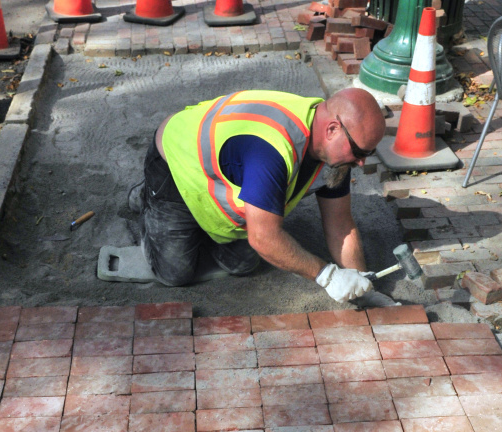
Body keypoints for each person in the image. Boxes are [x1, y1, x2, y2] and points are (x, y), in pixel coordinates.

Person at [128, 86, 386, 303]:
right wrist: (328, 276)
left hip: (224, 173)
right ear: (332, 129)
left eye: (368, 154)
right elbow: (263, 238)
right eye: (360, 152)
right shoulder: (271, 151)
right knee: (174, 273)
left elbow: (340, 224)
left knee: (243, 264)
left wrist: (362, 282)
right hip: (176, 165)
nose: (361, 163)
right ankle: (147, 198)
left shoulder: (335, 153)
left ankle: (203, 227)